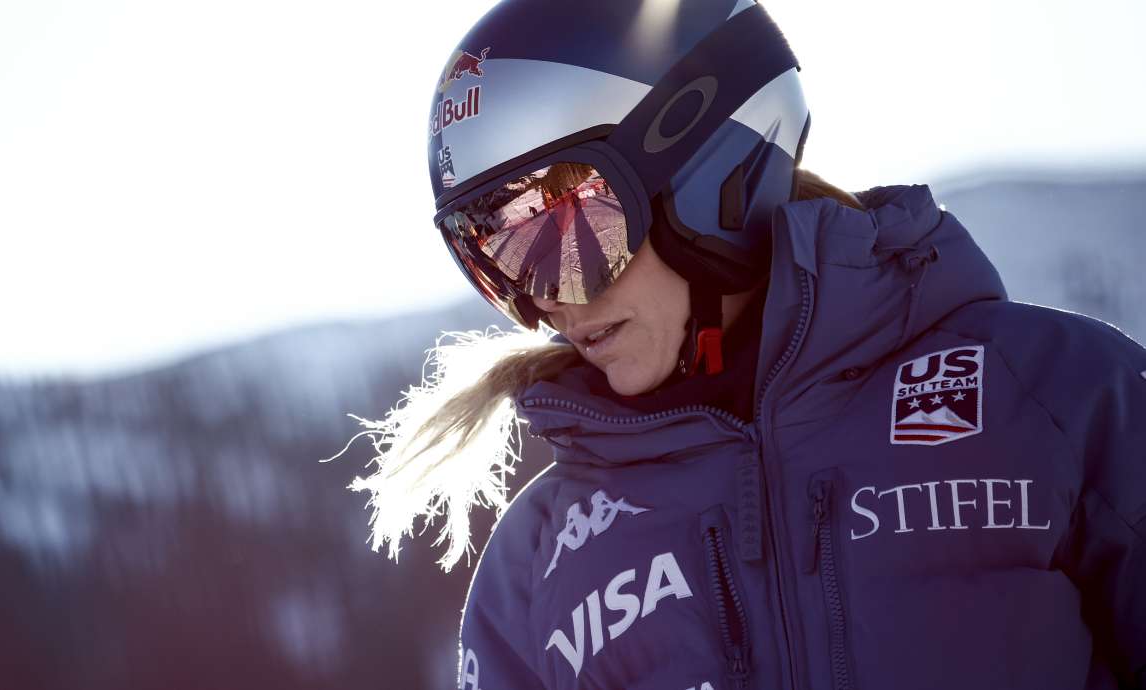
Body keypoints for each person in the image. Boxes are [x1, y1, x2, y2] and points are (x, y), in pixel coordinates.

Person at [344, 1, 1146, 688]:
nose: (543, 298)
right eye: (497, 259)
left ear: (706, 172)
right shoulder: (536, 566)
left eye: (565, 226)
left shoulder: (1052, 393)